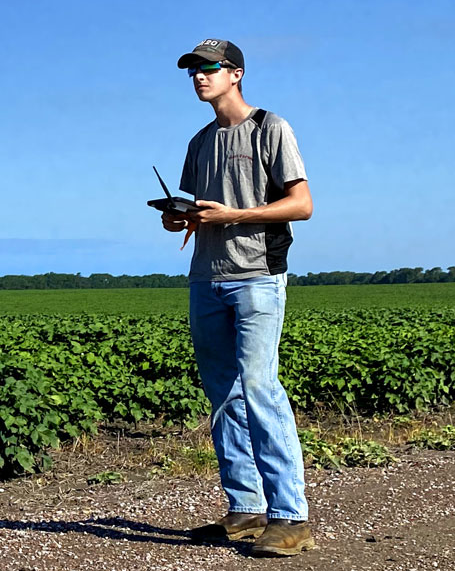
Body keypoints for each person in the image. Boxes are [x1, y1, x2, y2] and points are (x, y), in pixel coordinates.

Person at [161, 38, 316, 558]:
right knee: (223, 395)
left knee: (259, 387)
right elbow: (197, 210)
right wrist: (179, 218)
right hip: (206, 277)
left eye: (209, 67)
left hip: (258, 277)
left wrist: (235, 215)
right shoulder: (199, 142)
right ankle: (246, 508)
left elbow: (302, 205)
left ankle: (290, 517)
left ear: (237, 73)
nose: (199, 77)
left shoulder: (271, 127)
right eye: (193, 70)